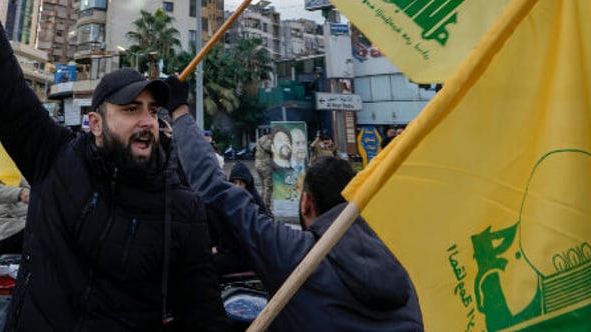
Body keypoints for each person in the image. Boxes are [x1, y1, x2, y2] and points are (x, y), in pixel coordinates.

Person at [0, 0, 226, 331]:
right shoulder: (56, 160)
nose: (146, 120)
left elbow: (203, 313)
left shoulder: (182, 208)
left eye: (150, 110)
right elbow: (2, 88)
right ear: (94, 124)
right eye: (130, 110)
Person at [166, 76, 424, 331]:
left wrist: (179, 110)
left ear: (306, 204)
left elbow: (215, 190)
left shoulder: (299, 256)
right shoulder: (401, 267)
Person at [0, 136, 30, 254]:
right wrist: (20, 193)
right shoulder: (4, 160)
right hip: (8, 228)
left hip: (23, 224)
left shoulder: (26, 162)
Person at [254, 132, 273, 209]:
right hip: (265, 165)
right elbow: (269, 148)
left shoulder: (260, 139)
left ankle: (260, 204)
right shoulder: (266, 140)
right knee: (268, 186)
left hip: (258, 164)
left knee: (263, 187)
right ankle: (266, 206)